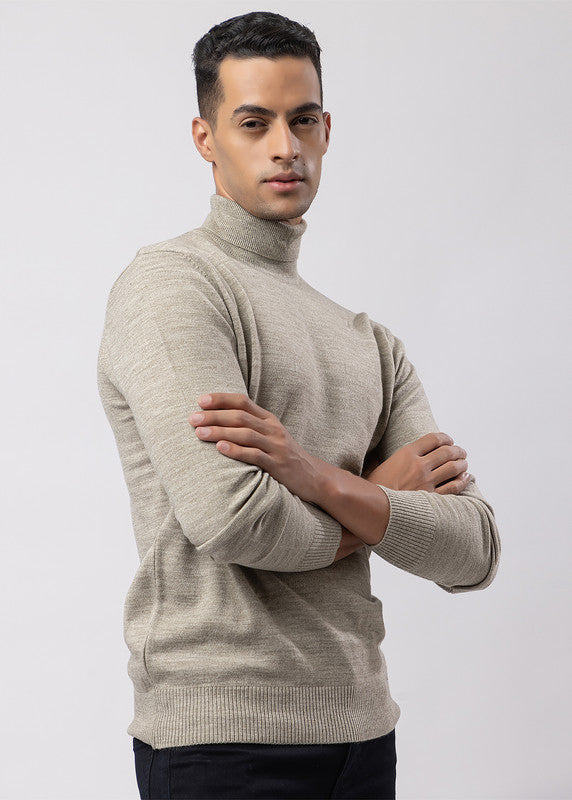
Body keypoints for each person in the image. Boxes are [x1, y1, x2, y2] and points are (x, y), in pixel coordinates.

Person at [96, 10, 501, 800]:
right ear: (206, 138)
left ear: (326, 129)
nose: (285, 146)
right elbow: (235, 521)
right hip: (224, 739)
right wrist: (383, 500)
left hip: (365, 734)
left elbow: (473, 551)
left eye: (302, 119)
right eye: (254, 123)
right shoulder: (173, 287)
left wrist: (319, 479)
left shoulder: (369, 341)